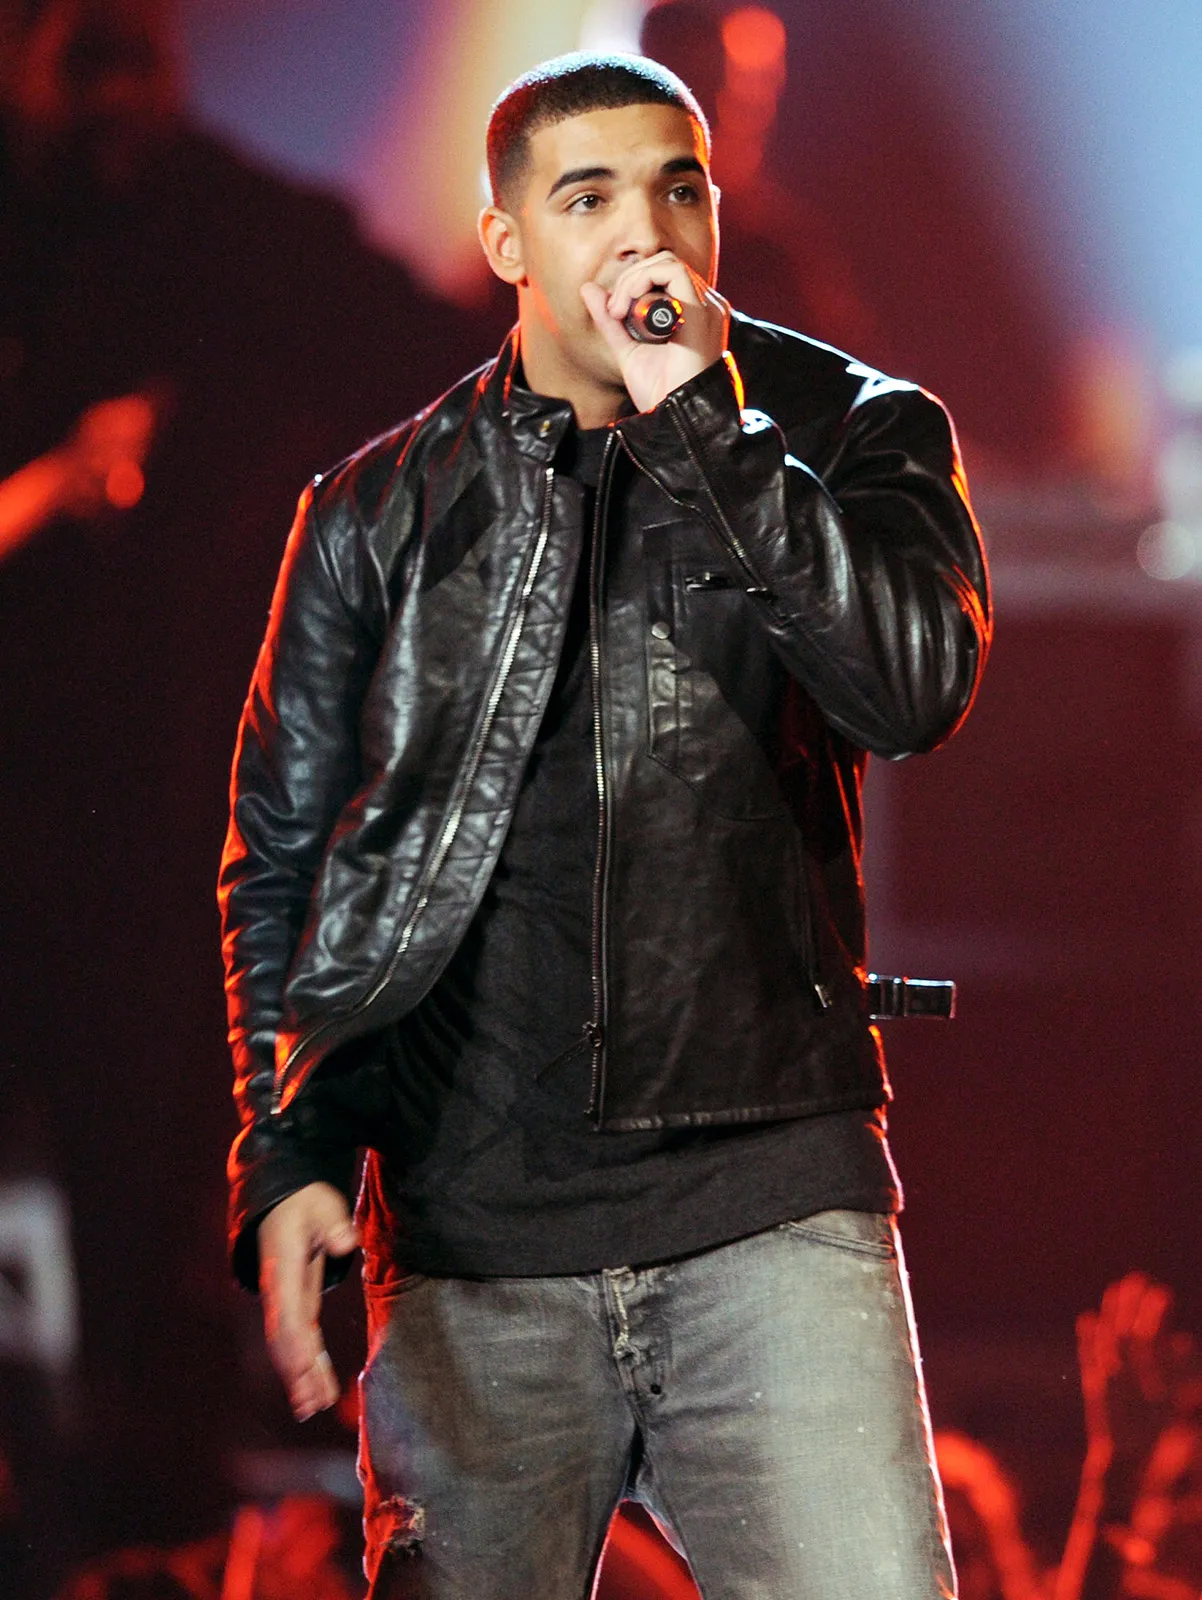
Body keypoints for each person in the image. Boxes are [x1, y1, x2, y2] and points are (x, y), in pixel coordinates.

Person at [219, 51, 991, 1598]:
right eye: (589, 198)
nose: (643, 230)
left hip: (766, 1205)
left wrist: (707, 430)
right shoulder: (374, 511)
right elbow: (281, 849)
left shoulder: (850, 429)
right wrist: (286, 1147)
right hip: (472, 1232)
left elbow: (909, 688)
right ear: (506, 242)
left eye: (675, 188)